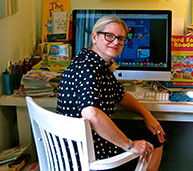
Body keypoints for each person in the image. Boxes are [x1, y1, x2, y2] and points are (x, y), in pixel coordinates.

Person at [57, 15, 165, 171]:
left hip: (78, 144)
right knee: (154, 140)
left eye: (120, 38)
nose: (116, 42)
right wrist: (130, 145)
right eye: (109, 36)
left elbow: (120, 95)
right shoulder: (89, 69)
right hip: (87, 154)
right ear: (95, 37)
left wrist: (146, 114)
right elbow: (91, 114)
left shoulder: (92, 61)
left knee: (152, 132)